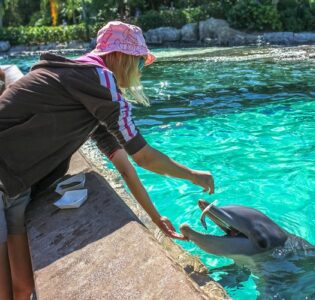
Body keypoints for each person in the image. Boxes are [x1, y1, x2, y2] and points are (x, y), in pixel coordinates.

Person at [0, 21, 214, 300]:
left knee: (23, 286)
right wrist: (194, 176)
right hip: (6, 179)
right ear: (119, 56)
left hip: (16, 184)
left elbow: (124, 164)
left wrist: (154, 217)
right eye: (137, 62)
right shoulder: (100, 80)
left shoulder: (82, 85)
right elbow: (143, 155)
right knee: (8, 288)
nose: (138, 71)